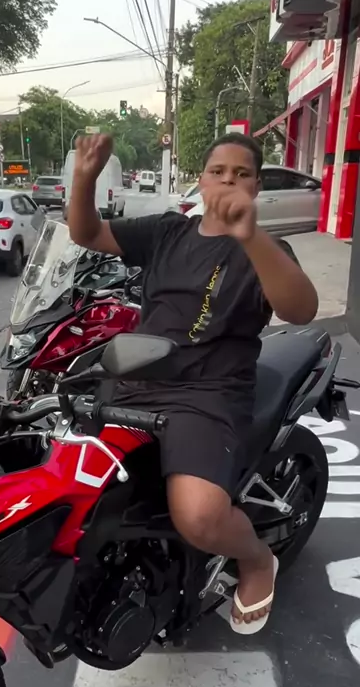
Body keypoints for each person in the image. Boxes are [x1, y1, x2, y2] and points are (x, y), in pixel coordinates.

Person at [68, 132, 318, 635]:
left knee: (199, 517)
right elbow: (86, 233)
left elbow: (301, 309)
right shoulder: (167, 231)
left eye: (242, 174)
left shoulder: (268, 250)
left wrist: (250, 235)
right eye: (217, 171)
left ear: (256, 186)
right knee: (72, 486)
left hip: (207, 395)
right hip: (137, 378)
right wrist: (85, 177)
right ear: (200, 180)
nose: (228, 181)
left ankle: (255, 559)